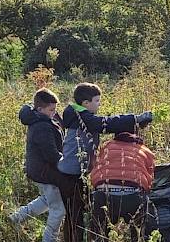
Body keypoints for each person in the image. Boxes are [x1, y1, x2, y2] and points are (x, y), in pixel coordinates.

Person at [58, 82, 154, 242]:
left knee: (78, 212)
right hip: (70, 175)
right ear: (85, 104)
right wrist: (134, 119)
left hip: (76, 173)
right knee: (74, 215)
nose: (99, 104)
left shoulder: (80, 115)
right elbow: (105, 124)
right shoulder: (82, 116)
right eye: (97, 101)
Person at [10, 88, 66, 242]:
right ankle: (49, 239)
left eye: (55, 109)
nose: (54, 113)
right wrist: (67, 163)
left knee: (46, 200)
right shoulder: (42, 126)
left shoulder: (42, 119)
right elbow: (51, 154)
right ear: (40, 109)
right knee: (59, 209)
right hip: (45, 172)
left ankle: (15, 218)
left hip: (39, 170)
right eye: (51, 110)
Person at [88, 130, 155, 242]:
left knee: (99, 233)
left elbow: (96, 167)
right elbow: (150, 178)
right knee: (140, 232)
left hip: (103, 195)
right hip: (133, 196)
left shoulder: (107, 146)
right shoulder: (144, 150)